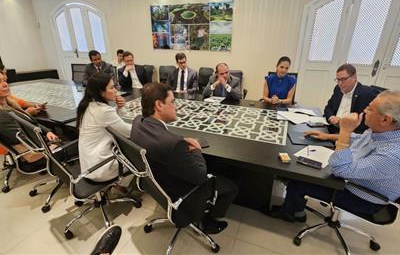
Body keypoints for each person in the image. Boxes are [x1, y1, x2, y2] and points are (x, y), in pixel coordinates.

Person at [269, 90, 400, 222]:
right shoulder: (384, 133)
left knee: (298, 182)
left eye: (370, 108)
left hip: (363, 198)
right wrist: (328, 136)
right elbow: (359, 138)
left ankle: (293, 214)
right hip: (354, 178)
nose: (365, 110)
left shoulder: (391, 155)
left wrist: (345, 130)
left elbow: (340, 170)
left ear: (385, 119)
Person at [130, 83, 238, 234]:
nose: (177, 106)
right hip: (181, 196)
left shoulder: (138, 122)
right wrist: (197, 151)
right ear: (159, 105)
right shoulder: (173, 144)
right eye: (173, 102)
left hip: (157, 187)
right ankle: (207, 220)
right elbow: (200, 176)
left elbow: (164, 140)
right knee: (231, 187)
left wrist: (180, 140)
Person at [77, 74, 131, 182]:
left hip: (88, 166)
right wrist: (149, 124)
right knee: (141, 154)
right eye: (111, 87)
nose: (115, 90)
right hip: (101, 168)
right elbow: (129, 132)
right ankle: (123, 184)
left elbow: (109, 122)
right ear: (101, 92)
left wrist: (119, 108)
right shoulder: (103, 111)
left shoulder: (88, 105)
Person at [0, 73, 58, 170]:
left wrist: (47, 131)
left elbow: (30, 123)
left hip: (39, 146)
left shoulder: (9, 105)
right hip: (36, 154)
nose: (5, 84)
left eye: (4, 80)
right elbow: (24, 136)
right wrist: (52, 144)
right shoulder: (2, 114)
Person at [305, 64, 378, 141]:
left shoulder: (368, 93)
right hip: (332, 128)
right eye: (338, 80)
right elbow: (328, 107)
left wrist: (343, 124)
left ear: (354, 77)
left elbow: (365, 126)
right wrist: (331, 117)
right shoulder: (338, 89)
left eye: (343, 79)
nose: (340, 83)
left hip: (350, 135)